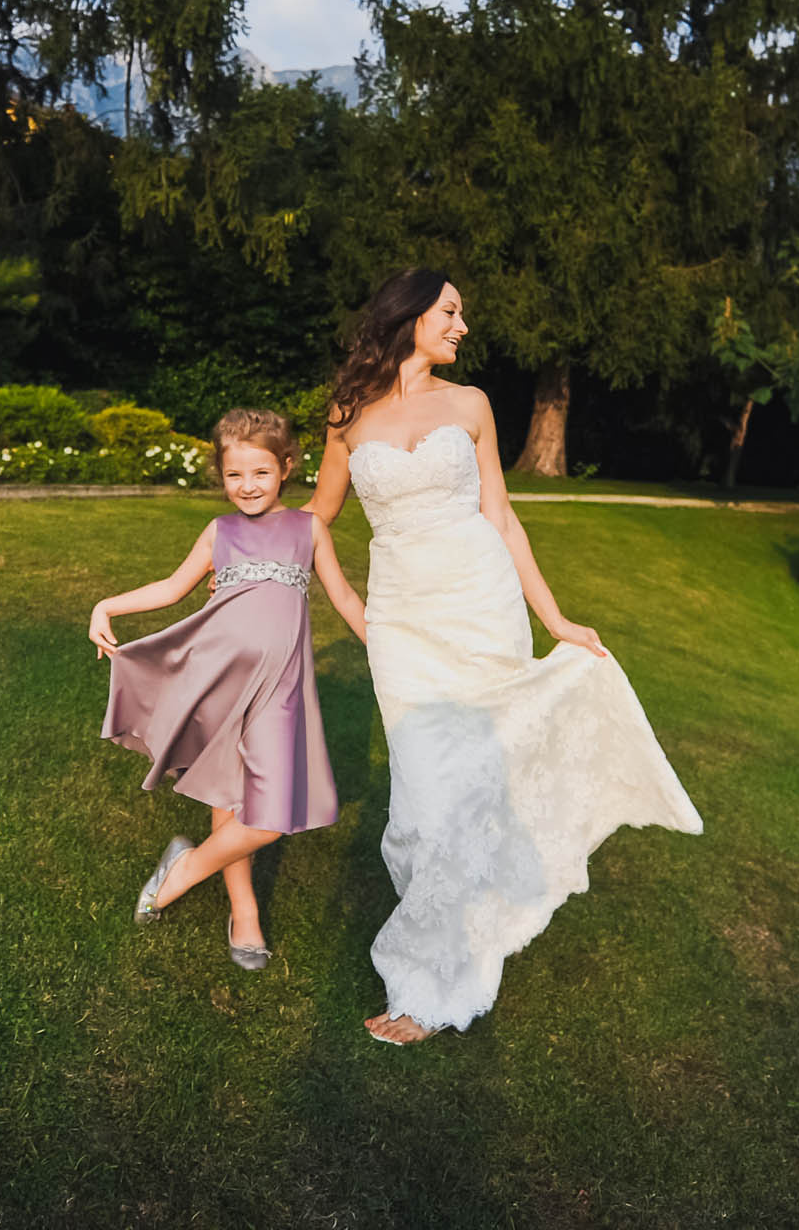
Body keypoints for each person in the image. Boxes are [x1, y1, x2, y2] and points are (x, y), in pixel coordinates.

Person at [305, 268, 703, 1044]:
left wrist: (555, 617)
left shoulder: (473, 404)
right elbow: (317, 519)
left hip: (482, 606)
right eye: (450, 312)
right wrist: (349, 607)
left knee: (475, 787)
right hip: (403, 622)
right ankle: (439, 949)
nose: (462, 326)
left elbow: (503, 517)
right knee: (424, 796)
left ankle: (430, 985)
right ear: (410, 315)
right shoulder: (347, 415)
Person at [91, 408, 367, 970]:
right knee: (230, 794)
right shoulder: (221, 531)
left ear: (286, 467)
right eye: (234, 474)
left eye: (261, 473)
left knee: (268, 817)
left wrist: (386, 650)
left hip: (280, 689)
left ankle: (183, 870)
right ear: (221, 475)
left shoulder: (308, 529)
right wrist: (107, 605)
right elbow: (173, 587)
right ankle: (245, 913)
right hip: (219, 680)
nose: (247, 486)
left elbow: (343, 597)